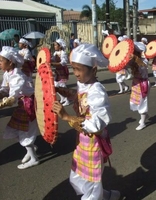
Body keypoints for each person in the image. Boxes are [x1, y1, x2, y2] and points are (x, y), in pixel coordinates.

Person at [52, 44, 120, 200]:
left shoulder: (97, 91)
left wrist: (67, 117)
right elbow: (79, 97)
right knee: (77, 177)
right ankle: (108, 196)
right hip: (82, 140)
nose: (75, 74)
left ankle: (102, 196)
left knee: (91, 182)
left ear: (94, 70)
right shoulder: (84, 83)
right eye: (73, 69)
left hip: (93, 142)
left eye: (79, 69)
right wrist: (61, 91)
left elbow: (98, 124)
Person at [0, 46, 39, 169]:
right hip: (21, 104)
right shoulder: (8, 73)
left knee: (24, 131)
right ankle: (30, 149)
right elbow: (5, 89)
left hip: (27, 104)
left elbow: (13, 94)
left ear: (10, 62)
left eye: (1, 60)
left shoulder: (17, 75)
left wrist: (6, 101)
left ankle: (33, 158)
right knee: (15, 129)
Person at [129, 42, 150, 130]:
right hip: (136, 83)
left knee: (142, 103)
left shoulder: (143, 60)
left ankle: (143, 122)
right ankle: (144, 115)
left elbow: (143, 67)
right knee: (135, 102)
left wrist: (136, 59)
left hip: (143, 84)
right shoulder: (132, 61)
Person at [51, 38, 71, 106]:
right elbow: (52, 59)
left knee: (63, 86)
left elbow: (63, 62)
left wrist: (53, 64)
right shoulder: (55, 53)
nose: (54, 46)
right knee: (55, 86)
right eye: (54, 45)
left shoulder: (63, 53)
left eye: (56, 45)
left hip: (62, 71)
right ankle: (63, 98)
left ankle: (67, 100)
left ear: (60, 46)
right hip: (57, 72)